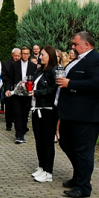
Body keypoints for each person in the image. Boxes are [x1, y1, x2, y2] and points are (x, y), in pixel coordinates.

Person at [55, 31, 99, 198]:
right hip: (72, 113)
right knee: (65, 143)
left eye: (75, 44)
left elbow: (97, 83)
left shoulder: (96, 60)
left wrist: (70, 83)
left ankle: (83, 186)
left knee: (83, 151)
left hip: (87, 115)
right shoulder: (78, 60)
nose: (72, 46)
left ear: (87, 45)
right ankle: (79, 176)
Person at [29, 45, 58, 183]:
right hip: (36, 108)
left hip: (48, 110)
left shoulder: (55, 71)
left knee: (47, 141)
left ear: (50, 56)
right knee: (38, 140)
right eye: (40, 55)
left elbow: (54, 89)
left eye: (43, 55)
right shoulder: (39, 71)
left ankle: (48, 171)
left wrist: (37, 93)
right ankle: (41, 166)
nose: (40, 57)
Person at [2, 47, 37, 143]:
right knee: (17, 113)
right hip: (16, 93)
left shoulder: (33, 66)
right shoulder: (14, 65)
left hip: (27, 94)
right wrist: (8, 89)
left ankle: (22, 131)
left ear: (29, 54)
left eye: (27, 53)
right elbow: (10, 78)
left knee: (25, 114)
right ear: (21, 54)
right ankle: (18, 135)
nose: (25, 55)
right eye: (24, 53)